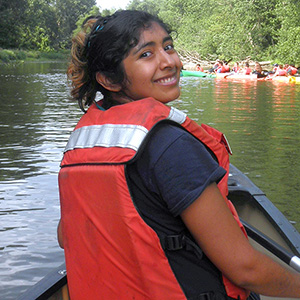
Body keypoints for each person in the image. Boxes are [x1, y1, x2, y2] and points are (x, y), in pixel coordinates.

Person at [57, 10, 300, 300]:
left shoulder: (84, 144)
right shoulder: (171, 146)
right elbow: (244, 268)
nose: (169, 62)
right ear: (109, 80)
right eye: (146, 55)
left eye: (168, 46)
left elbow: (65, 235)